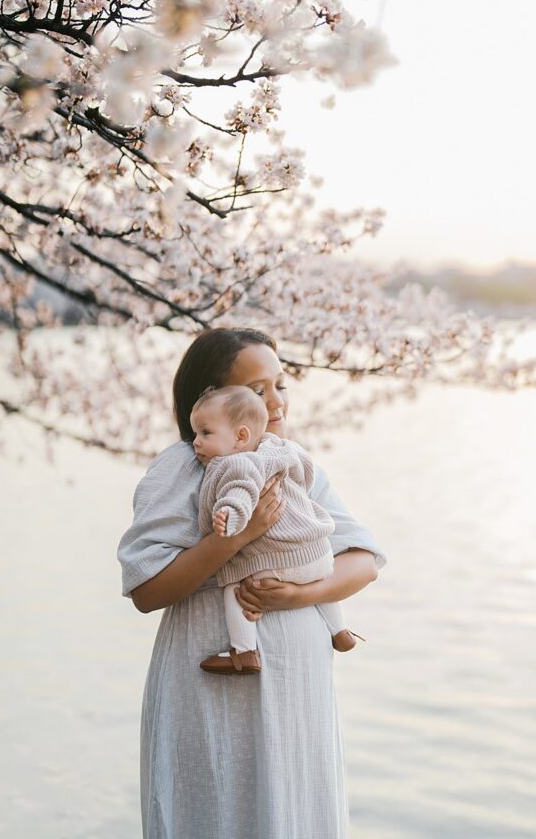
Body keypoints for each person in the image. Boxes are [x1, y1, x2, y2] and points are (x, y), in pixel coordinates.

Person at [117, 327, 386, 839]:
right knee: (217, 807)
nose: (276, 401)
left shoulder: (292, 461)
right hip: (209, 680)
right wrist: (236, 539)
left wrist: (301, 594)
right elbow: (147, 591)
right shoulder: (184, 467)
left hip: (296, 680)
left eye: (280, 385)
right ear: (212, 398)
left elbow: (363, 559)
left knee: (293, 806)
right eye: (258, 389)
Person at [189, 384, 356, 675]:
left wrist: (229, 516)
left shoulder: (236, 463)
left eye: (205, 433)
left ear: (241, 436)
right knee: (322, 579)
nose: (196, 443)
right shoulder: (282, 450)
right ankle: (340, 631)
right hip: (317, 554)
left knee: (233, 588)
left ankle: (243, 652)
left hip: (276, 566)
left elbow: (240, 492)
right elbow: (306, 474)